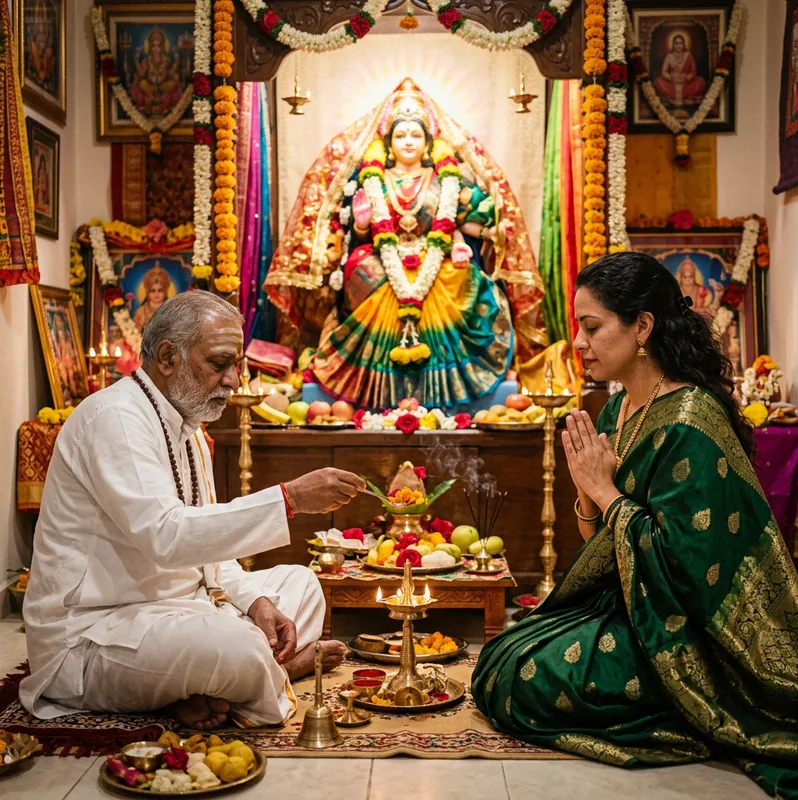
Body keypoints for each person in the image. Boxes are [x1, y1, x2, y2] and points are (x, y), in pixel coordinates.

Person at [471, 253, 798, 797]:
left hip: (690, 633)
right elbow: (602, 546)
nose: (578, 342)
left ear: (642, 326)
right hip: (631, 605)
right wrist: (585, 493)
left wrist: (604, 491)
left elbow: (686, 567)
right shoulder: (615, 410)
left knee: (522, 679)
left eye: (592, 327)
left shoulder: (691, 420)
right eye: (579, 326)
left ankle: (693, 712)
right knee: (502, 655)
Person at [21, 291, 366, 730]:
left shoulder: (185, 423)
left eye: (237, 364)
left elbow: (209, 548)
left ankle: (225, 684)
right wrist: (290, 498)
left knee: (300, 583)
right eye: (220, 363)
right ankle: (274, 673)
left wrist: (257, 602)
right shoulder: (115, 419)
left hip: (185, 611)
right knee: (235, 649)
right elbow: (168, 537)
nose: (234, 380)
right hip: (97, 631)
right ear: (168, 356)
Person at [266, 78, 548, 409]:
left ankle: (447, 381)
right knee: (360, 268)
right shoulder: (373, 179)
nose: (409, 141)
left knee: (462, 278)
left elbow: (468, 220)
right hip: (383, 259)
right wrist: (359, 223)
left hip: (435, 256)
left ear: (428, 143)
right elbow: (359, 234)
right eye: (401, 135)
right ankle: (375, 380)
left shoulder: (447, 180)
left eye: (416, 134)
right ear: (388, 142)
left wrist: (483, 228)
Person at [653, 33, 707, 107]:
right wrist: (670, 77)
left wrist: (688, 77)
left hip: (686, 82)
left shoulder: (688, 55)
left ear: (684, 44)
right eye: (676, 43)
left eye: (680, 43)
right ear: (673, 45)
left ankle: (685, 99)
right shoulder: (669, 56)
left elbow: (693, 71)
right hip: (672, 82)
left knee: (700, 82)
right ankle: (673, 99)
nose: (678, 46)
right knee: (657, 82)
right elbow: (664, 71)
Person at [133, 263, 169, 331]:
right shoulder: (140, 312)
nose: (156, 294)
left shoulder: (171, 311)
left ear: (165, 292)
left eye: (160, 290)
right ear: (147, 292)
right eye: (153, 291)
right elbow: (136, 332)